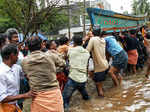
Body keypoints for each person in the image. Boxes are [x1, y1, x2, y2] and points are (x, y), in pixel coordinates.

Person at [21, 36, 64, 112]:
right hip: (53, 94)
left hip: (37, 95)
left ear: (27, 47)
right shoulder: (50, 55)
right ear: (41, 45)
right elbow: (62, 63)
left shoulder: (24, 61)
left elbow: (27, 74)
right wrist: (56, 53)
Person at [0, 44, 33, 112]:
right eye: (17, 55)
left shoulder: (17, 68)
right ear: (12, 55)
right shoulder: (1, 73)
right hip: (4, 107)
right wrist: (25, 95)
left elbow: (25, 76)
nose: (18, 57)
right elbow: (3, 98)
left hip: (15, 106)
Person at [63, 36, 90, 111]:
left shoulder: (71, 50)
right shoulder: (87, 52)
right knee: (85, 97)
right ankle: (89, 106)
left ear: (74, 42)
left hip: (73, 78)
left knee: (65, 100)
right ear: (81, 42)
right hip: (83, 78)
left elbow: (65, 57)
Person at [86, 27, 109, 97]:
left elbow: (87, 50)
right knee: (98, 83)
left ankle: (102, 103)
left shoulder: (93, 39)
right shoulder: (103, 40)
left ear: (93, 33)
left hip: (99, 66)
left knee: (99, 89)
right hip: (105, 64)